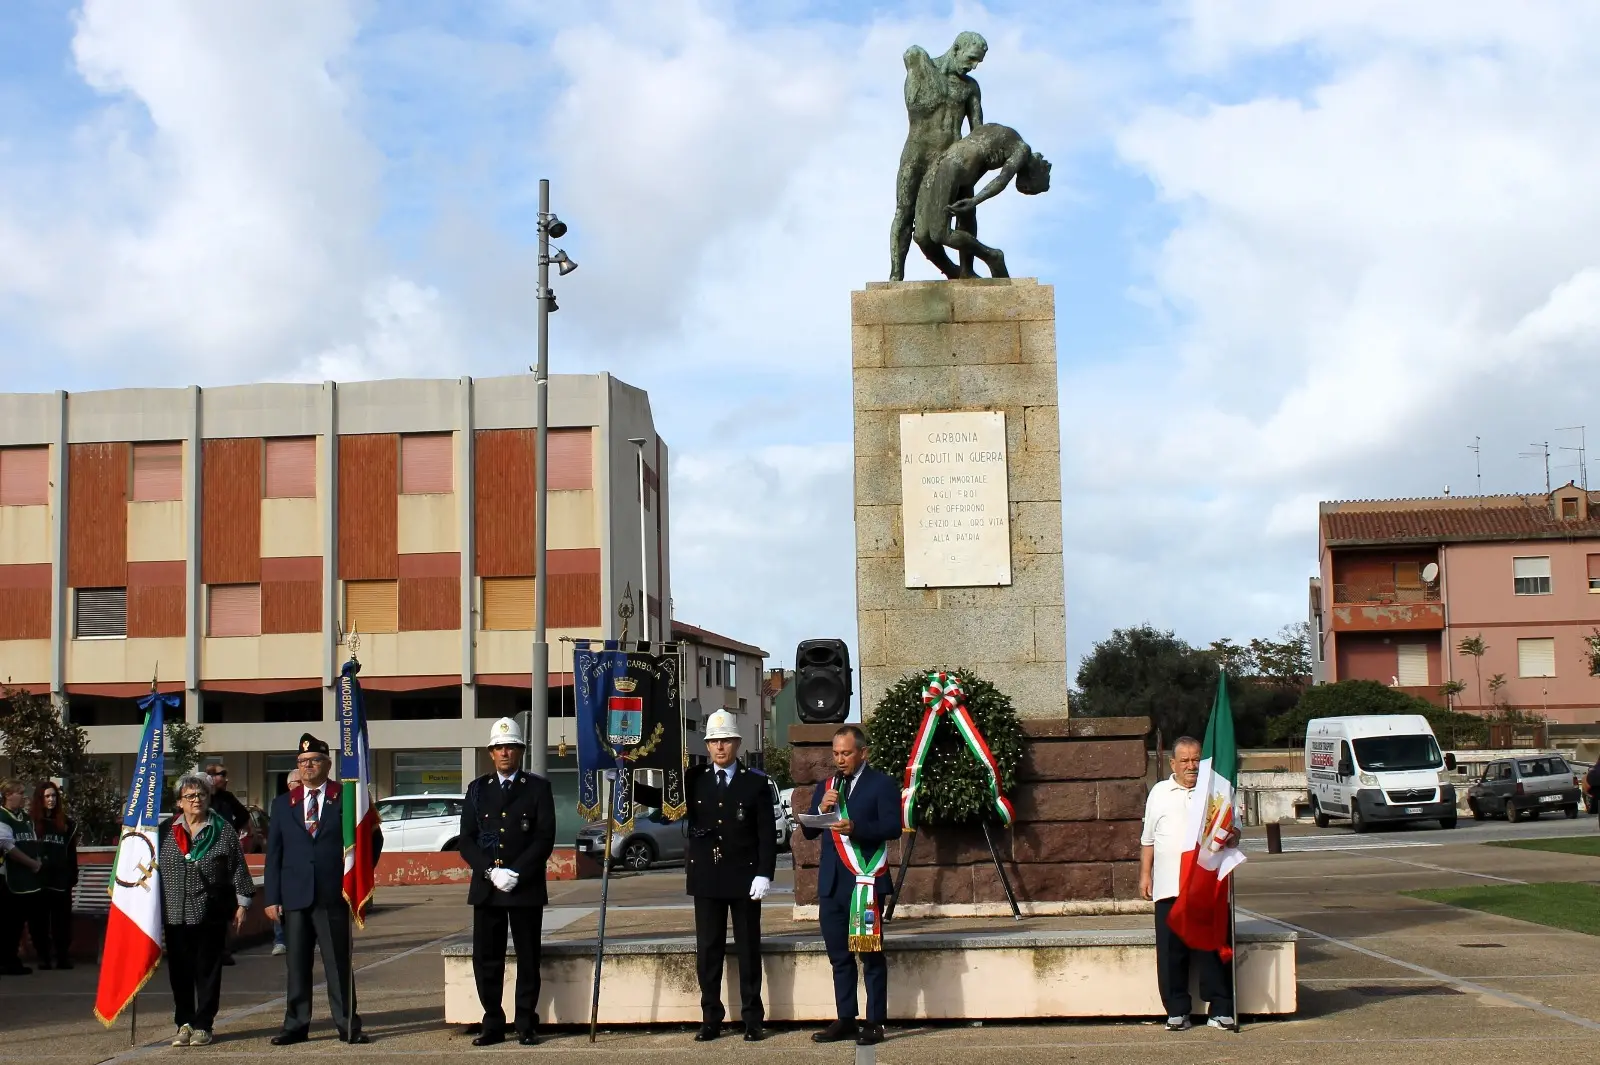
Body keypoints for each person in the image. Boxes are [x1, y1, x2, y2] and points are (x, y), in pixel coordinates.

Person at [264, 733, 383, 1045]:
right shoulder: (282, 804)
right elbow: (274, 854)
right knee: (297, 966)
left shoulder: (346, 798)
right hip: (295, 896)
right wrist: (272, 898)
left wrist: (359, 875)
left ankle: (347, 1025)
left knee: (338, 964)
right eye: (302, 762)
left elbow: (372, 839)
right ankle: (295, 1025)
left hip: (334, 894)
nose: (307, 767)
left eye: (314, 761)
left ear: (327, 764)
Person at [678, 710, 777, 1042]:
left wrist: (765, 873)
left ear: (737, 742)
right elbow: (667, 805)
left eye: (725, 740)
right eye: (714, 741)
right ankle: (711, 1018)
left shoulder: (756, 782)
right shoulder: (695, 779)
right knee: (709, 950)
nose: (720, 747)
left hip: (745, 876)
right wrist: (627, 783)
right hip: (707, 876)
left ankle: (752, 1018)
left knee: (749, 948)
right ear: (707, 745)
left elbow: (766, 833)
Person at [801, 725, 902, 1047]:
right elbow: (809, 833)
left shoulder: (881, 783)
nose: (840, 759)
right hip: (831, 884)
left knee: (870, 955)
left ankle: (874, 1021)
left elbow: (892, 827)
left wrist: (857, 827)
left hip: (865, 881)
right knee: (838, 957)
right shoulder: (827, 787)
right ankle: (845, 1018)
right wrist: (822, 810)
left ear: (863, 752)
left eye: (846, 753)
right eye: (836, 753)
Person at [459, 716, 556, 1047]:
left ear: (521, 751)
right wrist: (491, 871)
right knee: (487, 959)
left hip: (524, 886)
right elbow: (467, 840)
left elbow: (544, 838)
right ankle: (493, 1022)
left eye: (510, 747)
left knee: (528, 956)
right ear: (491, 752)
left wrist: (517, 872)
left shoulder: (538, 788)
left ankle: (526, 1022)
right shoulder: (477, 790)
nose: (504, 753)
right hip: (487, 888)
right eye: (499, 747)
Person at [1140, 736, 1236, 1031]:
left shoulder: (1216, 791)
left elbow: (1235, 832)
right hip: (1169, 886)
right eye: (1184, 760)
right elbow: (1149, 839)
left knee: (1211, 949)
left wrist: (1228, 835)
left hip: (1205, 886)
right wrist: (1145, 874)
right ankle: (1177, 1012)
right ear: (1173, 764)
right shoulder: (1159, 792)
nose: (1191, 766)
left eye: (1195, 759)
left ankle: (1220, 1009)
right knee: (1171, 954)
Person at [161, 772, 254, 1046]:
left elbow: (238, 867)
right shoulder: (166, 830)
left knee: (207, 969)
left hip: (210, 910)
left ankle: (204, 1024)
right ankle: (184, 1022)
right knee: (179, 971)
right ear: (179, 802)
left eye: (201, 795)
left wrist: (243, 903)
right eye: (189, 796)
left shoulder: (222, 829)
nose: (196, 800)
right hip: (174, 912)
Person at [890, 31, 987, 280]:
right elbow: (913, 102)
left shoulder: (970, 87)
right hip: (918, 153)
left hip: (953, 157)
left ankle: (966, 269)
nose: (973, 67)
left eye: (978, 62)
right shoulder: (923, 69)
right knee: (905, 211)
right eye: (971, 59)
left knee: (965, 210)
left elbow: (978, 132)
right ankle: (896, 273)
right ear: (956, 49)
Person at [912, 122, 1051, 280]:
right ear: (1034, 175)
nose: (1025, 188)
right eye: (1028, 188)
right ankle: (992, 256)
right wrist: (974, 201)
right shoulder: (1022, 149)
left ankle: (968, 270)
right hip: (949, 166)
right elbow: (1002, 180)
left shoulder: (1003, 137)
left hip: (955, 168)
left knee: (943, 231)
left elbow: (980, 157)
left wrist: (971, 200)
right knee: (927, 236)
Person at [204, 762, 250, 967]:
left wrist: (232, 830)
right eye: (222, 775)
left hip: (224, 855)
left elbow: (243, 815)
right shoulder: (203, 798)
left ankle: (223, 949)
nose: (226, 779)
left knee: (224, 902)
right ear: (211, 777)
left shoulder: (227, 798)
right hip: (204, 854)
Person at [29, 781, 78, 970]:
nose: (51, 800)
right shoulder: (31, 823)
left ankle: (62, 956)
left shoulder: (66, 824)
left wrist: (72, 875)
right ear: (40, 799)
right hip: (39, 879)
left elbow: (71, 852)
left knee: (62, 921)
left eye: (54, 796)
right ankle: (44, 957)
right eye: (47, 796)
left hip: (60, 879)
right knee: (39, 921)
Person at [0, 778, 44, 975]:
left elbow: (32, 841)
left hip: (27, 879)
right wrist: (32, 863)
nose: (24, 796)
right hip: (7, 878)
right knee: (8, 922)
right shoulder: (2, 816)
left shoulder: (25, 818)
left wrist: (38, 860)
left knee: (18, 922)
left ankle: (12, 960)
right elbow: (8, 847)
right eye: (19, 793)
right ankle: (7, 961)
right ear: (8, 795)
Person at [271, 769, 300, 957]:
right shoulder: (280, 805)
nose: (302, 784)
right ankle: (280, 940)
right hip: (285, 867)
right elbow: (275, 844)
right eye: (298, 782)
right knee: (280, 907)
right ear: (290, 785)